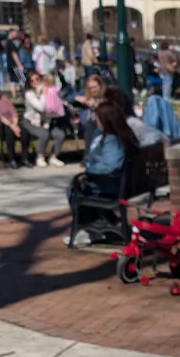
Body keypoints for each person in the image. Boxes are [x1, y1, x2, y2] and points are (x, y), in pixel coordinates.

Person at [66, 92, 135, 246]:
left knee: (75, 189)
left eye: (97, 117)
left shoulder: (113, 140)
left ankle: (90, 229)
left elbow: (110, 166)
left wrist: (87, 172)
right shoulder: (122, 135)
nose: (95, 120)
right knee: (78, 186)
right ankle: (101, 225)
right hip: (122, 184)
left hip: (111, 186)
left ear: (106, 120)